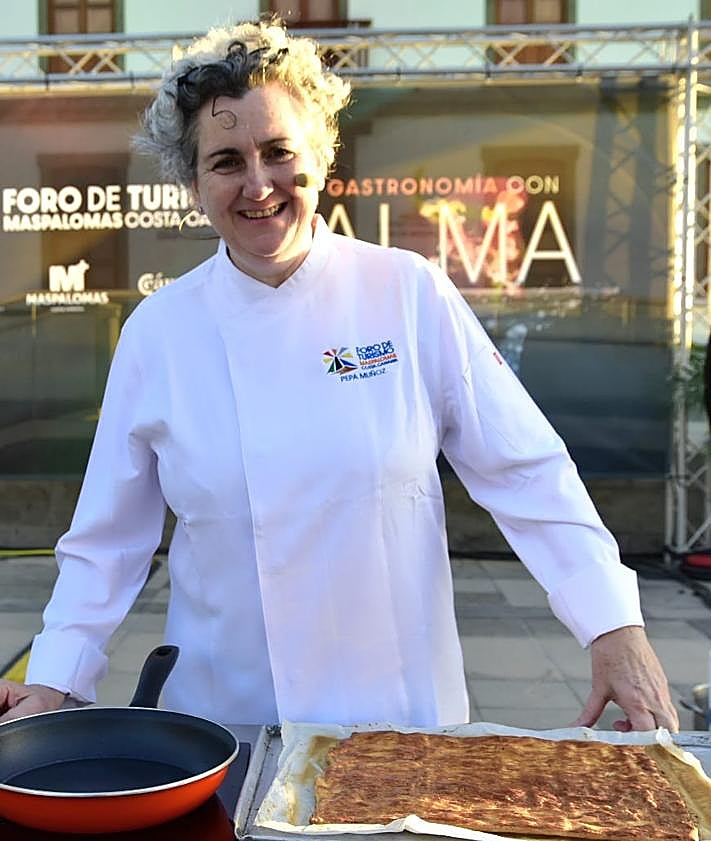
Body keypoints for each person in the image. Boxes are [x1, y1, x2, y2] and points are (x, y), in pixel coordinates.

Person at [0, 19, 677, 731]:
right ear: (194, 184)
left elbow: (525, 469)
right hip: (225, 719)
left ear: (319, 160)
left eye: (278, 151)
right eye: (226, 160)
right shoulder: (158, 332)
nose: (258, 183)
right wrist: (54, 677)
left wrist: (613, 628)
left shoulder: (407, 292)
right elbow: (106, 540)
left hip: (400, 715)